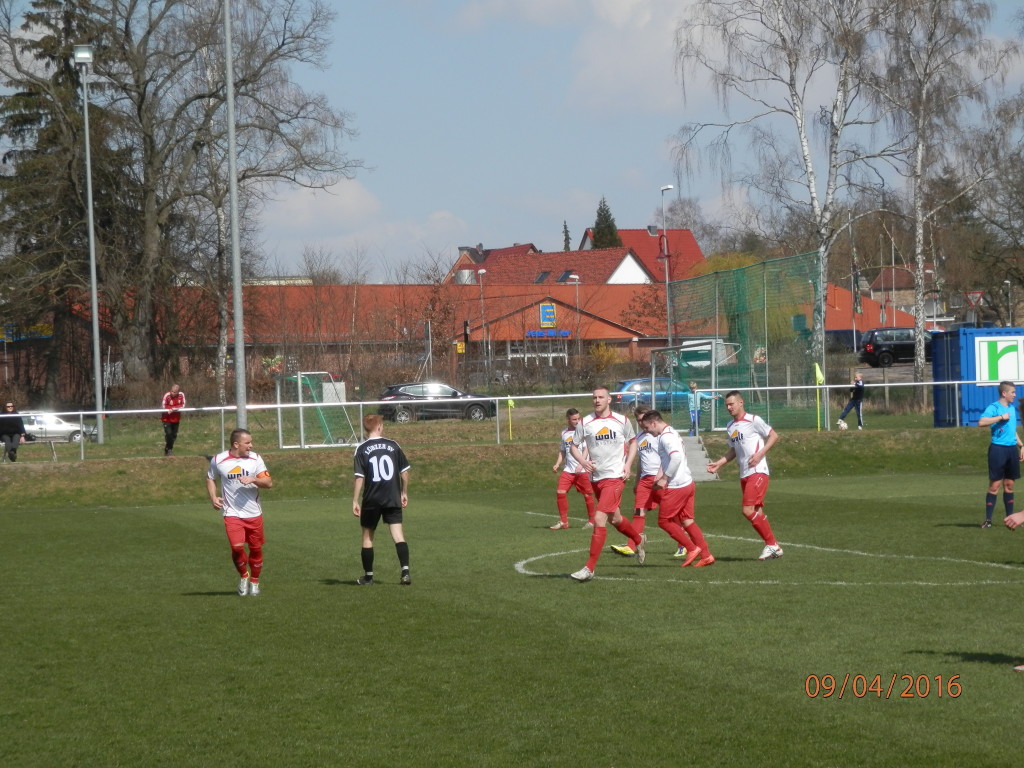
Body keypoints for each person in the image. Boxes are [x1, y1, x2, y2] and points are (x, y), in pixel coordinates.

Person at [567, 386, 646, 582]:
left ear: (609, 400)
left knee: (599, 518)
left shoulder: (622, 420)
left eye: (601, 397)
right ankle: (638, 539)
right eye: (594, 397)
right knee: (615, 519)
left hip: (615, 477)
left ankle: (589, 568)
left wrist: (628, 465)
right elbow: (573, 447)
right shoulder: (585, 422)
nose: (597, 400)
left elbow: (633, 442)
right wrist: (583, 462)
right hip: (596, 478)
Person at [706, 390, 784, 560]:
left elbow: (773, 435)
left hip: (758, 471)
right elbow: (734, 449)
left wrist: (760, 454)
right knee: (756, 511)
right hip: (744, 473)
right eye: (726, 405)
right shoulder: (730, 426)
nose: (728, 407)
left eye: (731, 404)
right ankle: (772, 546)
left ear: (741, 403)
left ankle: (773, 545)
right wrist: (720, 463)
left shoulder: (753, 420)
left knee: (747, 510)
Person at [639, 410, 712, 567]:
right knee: (687, 521)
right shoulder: (671, 432)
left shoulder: (666, 437)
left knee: (664, 521)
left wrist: (665, 478)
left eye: (647, 428)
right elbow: (669, 459)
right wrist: (660, 476)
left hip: (677, 486)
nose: (646, 431)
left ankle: (692, 548)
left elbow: (676, 457)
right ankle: (706, 555)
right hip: (687, 483)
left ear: (654, 423)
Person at [207, 428, 273, 596]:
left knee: (255, 549)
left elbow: (268, 483)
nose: (251, 445)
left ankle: (255, 582)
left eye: (251, 442)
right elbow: (210, 478)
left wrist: (254, 479)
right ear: (236, 444)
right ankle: (244, 576)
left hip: (253, 513)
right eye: (247, 442)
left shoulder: (255, 459)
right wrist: (213, 497)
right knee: (236, 548)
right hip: (232, 513)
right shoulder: (218, 460)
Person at [352, 414, 412, 586]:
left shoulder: (361, 449)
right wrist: (403, 492)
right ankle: (405, 573)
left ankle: (369, 577)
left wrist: (355, 500)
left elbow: (359, 478)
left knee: (367, 537)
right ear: (379, 427)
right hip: (392, 496)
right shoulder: (393, 445)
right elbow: (405, 473)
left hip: (372, 499)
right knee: (398, 535)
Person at [610, 405, 659, 557]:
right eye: (638, 420)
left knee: (670, 514)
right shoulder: (638, 438)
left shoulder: (660, 434)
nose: (642, 423)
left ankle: (684, 545)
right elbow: (640, 461)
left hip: (661, 479)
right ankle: (631, 545)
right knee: (639, 511)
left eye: (644, 419)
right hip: (645, 480)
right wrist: (637, 480)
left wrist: (664, 476)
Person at [978, 381, 1024, 529]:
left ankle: (1010, 518)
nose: (1015, 395)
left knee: (1009, 485)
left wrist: (1021, 445)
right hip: (998, 449)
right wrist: (1000, 417)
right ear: (1004, 393)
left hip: (1011, 450)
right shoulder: (994, 407)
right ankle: (988, 520)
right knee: (995, 485)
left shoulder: (1012, 408)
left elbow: (1012, 430)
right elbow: (981, 422)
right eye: (1012, 392)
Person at [550, 408, 596, 530]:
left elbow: (587, 448)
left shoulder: (584, 431)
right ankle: (563, 522)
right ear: (568, 420)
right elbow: (563, 450)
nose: (577, 421)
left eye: (578, 418)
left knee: (587, 494)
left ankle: (592, 521)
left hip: (582, 470)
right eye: (574, 419)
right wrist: (557, 463)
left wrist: (582, 463)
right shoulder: (564, 433)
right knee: (560, 492)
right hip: (569, 470)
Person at [161, 384, 186, 456]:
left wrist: (173, 409)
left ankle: (167, 449)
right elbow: (163, 405)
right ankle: (169, 450)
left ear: (178, 392)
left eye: (175, 392)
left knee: (174, 435)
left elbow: (183, 405)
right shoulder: (167, 395)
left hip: (176, 419)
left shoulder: (181, 395)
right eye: (172, 391)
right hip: (167, 418)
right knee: (169, 434)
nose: (172, 393)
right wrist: (169, 409)